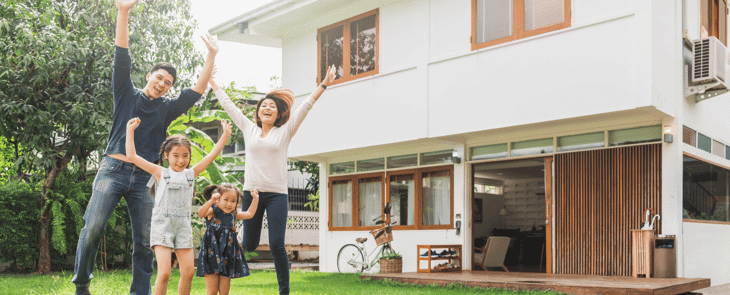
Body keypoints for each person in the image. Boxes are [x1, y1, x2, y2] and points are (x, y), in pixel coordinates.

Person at [71, 0, 218, 293]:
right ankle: (82, 285)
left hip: (145, 179)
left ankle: (141, 291)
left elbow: (198, 91)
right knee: (92, 229)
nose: (162, 84)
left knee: (145, 240)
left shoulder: (167, 108)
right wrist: (123, 11)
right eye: (159, 77)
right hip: (112, 170)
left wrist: (211, 55)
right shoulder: (126, 92)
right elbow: (121, 56)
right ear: (149, 76)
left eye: (168, 82)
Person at [209, 64, 336, 294]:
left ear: (278, 114)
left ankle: (284, 291)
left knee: (277, 243)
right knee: (249, 244)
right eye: (263, 105)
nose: (267, 108)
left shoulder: (285, 131)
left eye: (272, 106)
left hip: (277, 194)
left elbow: (306, 107)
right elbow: (229, 106)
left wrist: (324, 84)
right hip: (252, 193)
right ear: (258, 112)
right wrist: (213, 82)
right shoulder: (249, 129)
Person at [125, 117, 232, 295]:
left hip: (183, 226)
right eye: (176, 155)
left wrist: (225, 136)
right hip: (162, 226)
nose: (181, 160)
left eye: (185, 156)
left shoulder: (191, 174)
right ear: (166, 156)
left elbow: (212, 155)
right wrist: (130, 131)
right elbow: (131, 156)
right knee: (165, 273)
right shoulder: (160, 172)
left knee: (188, 272)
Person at [197, 184, 260, 295]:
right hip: (212, 253)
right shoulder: (212, 211)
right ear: (218, 199)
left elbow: (250, 214)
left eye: (233, 201)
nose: (229, 204)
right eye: (225, 199)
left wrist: (255, 199)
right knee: (212, 291)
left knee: (224, 291)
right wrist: (211, 200)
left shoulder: (233, 214)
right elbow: (200, 213)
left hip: (228, 254)